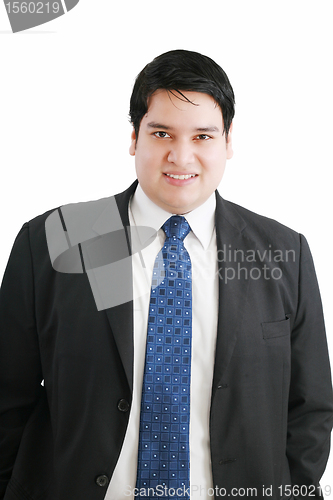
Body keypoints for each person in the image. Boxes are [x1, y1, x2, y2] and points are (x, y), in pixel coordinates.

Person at [0, 49, 332, 500]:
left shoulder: (281, 250)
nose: (181, 156)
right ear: (135, 137)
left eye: (202, 136)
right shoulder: (60, 238)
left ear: (228, 142)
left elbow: (309, 408)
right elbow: (8, 396)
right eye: (162, 133)